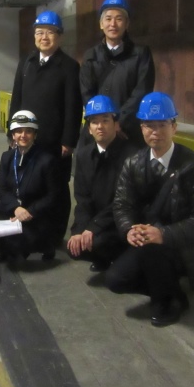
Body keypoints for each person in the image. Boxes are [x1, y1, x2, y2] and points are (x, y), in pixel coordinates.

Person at [107, 92, 194, 327]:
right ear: (141, 128)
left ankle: (166, 300)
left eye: (162, 124)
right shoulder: (134, 163)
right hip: (148, 241)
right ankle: (172, 291)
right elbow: (122, 204)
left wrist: (164, 234)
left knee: (154, 252)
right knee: (116, 280)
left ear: (174, 127)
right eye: (149, 125)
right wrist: (129, 229)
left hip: (184, 246)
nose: (155, 131)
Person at [10, 10, 82, 253]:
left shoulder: (69, 66)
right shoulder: (26, 63)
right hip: (28, 141)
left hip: (55, 142)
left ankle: (53, 238)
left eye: (49, 32)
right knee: (31, 187)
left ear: (59, 37)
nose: (44, 37)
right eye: (39, 32)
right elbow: (16, 100)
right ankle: (34, 234)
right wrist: (14, 132)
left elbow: (74, 106)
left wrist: (69, 139)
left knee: (58, 191)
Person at [67, 95, 139, 271]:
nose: (100, 126)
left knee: (96, 242)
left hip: (121, 220)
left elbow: (123, 201)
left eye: (105, 120)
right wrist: (80, 230)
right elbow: (82, 199)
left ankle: (116, 257)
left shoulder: (131, 156)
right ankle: (102, 254)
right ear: (89, 129)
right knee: (74, 246)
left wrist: (92, 228)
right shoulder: (83, 155)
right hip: (95, 220)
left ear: (116, 125)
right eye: (94, 122)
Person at [79, 0, 155, 147]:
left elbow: (142, 90)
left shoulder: (141, 54)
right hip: (98, 133)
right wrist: (103, 122)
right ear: (101, 24)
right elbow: (86, 92)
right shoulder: (90, 56)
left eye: (119, 19)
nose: (113, 24)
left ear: (127, 24)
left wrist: (118, 122)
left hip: (128, 131)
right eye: (108, 19)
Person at [0, 110, 60, 262]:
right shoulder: (7, 157)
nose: (23, 135)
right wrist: (15, 208)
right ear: (13, 135)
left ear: (35, 135)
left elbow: (52, 196)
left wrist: (29, 211)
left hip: (35, 214)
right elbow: (1, 189)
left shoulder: (47, 160)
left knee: (19, 253)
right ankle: (6, 250)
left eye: (28, 131)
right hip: (15, 209)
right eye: (18, 131)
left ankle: (42, 245)